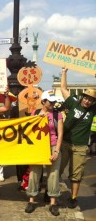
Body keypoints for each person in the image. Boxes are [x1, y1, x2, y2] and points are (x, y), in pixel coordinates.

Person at [59, 67, 96, 209]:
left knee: (76, 174)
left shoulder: (93, 110)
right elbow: (63, 88)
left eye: (91, 100)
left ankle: (73, 198)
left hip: (80, 146)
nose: (87, 101)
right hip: (66, 143)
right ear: (82, 97)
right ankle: (52, 193)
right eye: (86, 98)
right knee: (58, 169)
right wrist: (64, 72)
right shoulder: (73, 103)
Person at [25, 90, 63, 216]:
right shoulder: (35, 113)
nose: (53, 103)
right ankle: (31, 200)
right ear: (43, 102)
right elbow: (29, 130)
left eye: (54, 101)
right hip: (38, 148)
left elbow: (60, 134)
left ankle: (53, 203)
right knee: (34, 173)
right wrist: (37, 120)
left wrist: (56, 150)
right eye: (50, 101)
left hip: (52, 146)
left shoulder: (58, 115)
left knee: (53, 174)